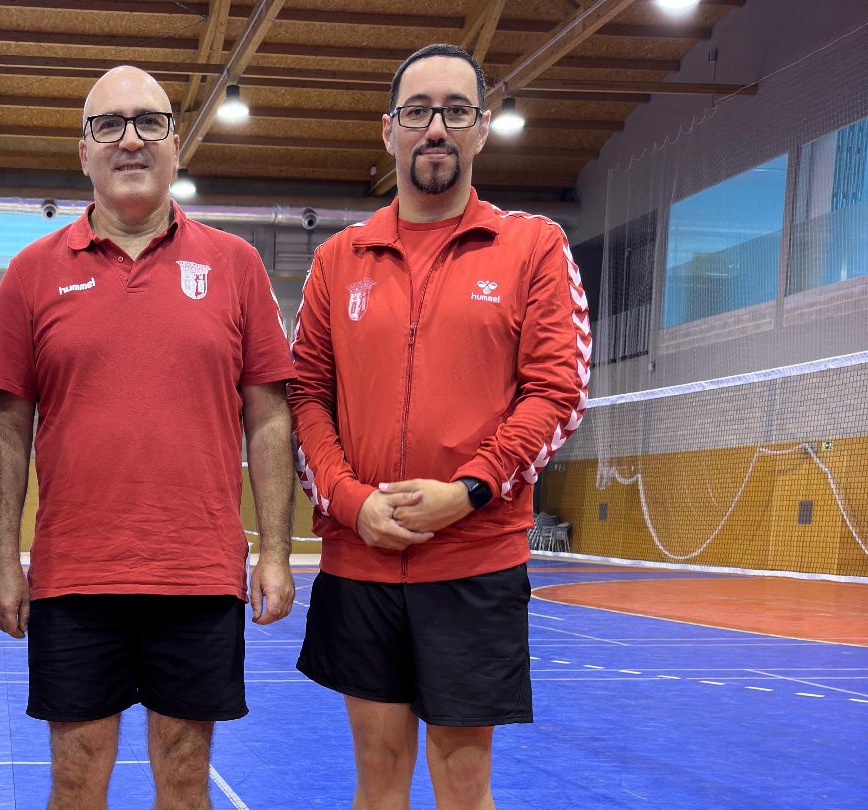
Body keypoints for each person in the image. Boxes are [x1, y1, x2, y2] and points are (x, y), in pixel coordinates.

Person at [0, 65, 297, 810]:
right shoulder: (31, 272)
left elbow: (270, 417)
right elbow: (11, 428)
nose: (130, 140)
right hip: (75, 577)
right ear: (82, 151)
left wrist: (277, 552)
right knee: (75, 779)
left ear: (176, 144)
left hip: (196, 574)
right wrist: (2, 559)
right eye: (109, 125)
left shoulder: (236, 265)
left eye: (149, 123)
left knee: (185, 782)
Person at [289, 43, 592, 809]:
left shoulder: (534, 247)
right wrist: (348, 498)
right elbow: (304, 397)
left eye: (456, 111)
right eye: (418, 111)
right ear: (388, 130)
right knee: (379, 773)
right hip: (360, 559)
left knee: (463, 781)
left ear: (482, 128)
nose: (436, 128)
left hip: (475, 560)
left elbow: (557, 391)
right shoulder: (337, 259)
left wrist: (472, 489)